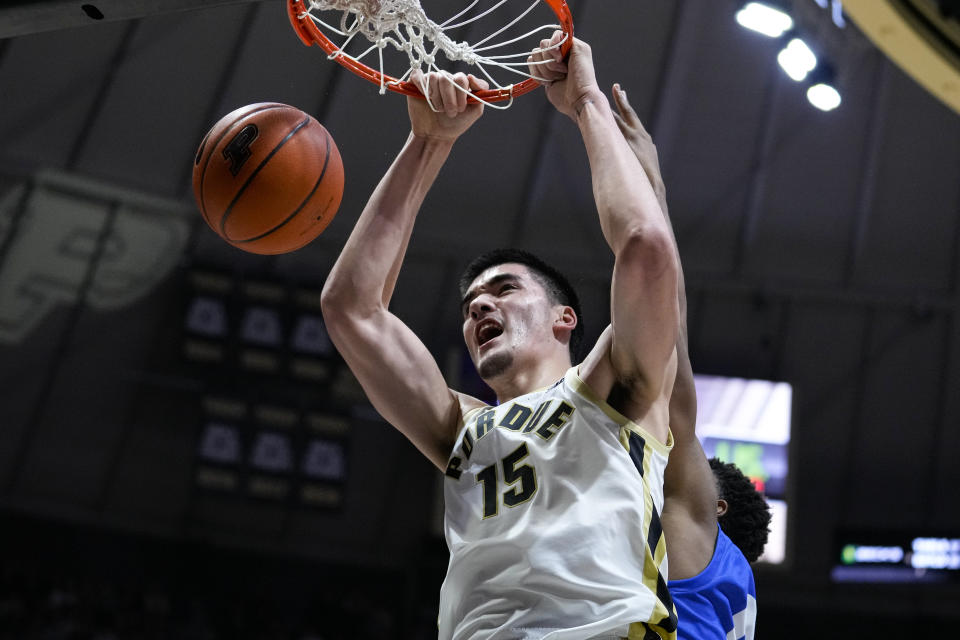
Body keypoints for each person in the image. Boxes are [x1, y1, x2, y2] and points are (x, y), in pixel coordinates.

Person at [320, 31, 681, 640]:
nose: (480, 303)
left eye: (506, 288)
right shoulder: (460, 429)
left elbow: (646, 248)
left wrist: (586, 102)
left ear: (565, 317)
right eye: (469, 304)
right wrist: (427, 142)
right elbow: (351, 308)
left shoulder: (615, 388)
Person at [611, 87, 772, 640]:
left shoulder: (693, 540)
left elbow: (670, 344)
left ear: (713, 508)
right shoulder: (729, 593)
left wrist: (652, 189)